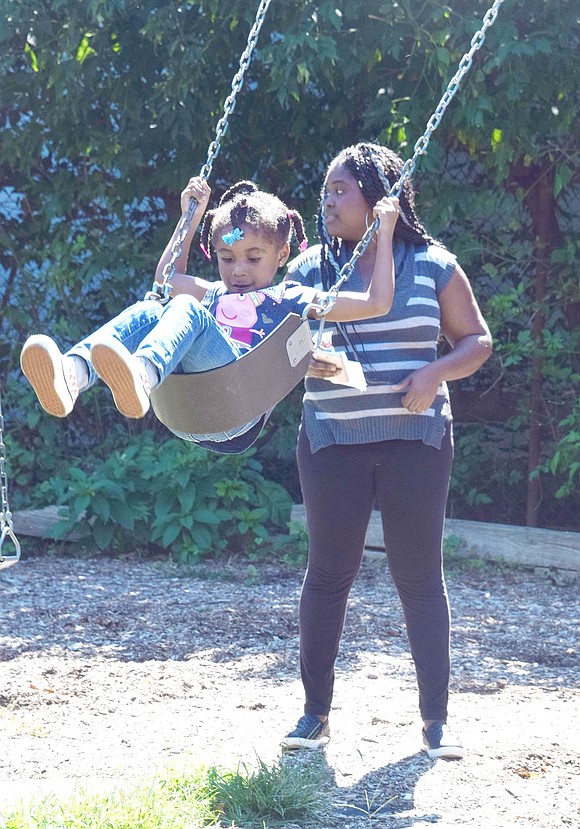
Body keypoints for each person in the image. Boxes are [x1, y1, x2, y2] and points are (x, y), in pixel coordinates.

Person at [280, 142, 493, 759]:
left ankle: (436, 723)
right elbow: (282, 350)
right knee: (327, 576)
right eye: (325, 189)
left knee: (420, 578)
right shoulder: (312, 269)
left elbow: (476, 340)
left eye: (341, 189)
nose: (327, 200)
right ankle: (314, 715)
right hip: (331, 443)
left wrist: (434, 375)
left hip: (417, 444)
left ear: (380, 198)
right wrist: (307, 359)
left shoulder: (433, 265)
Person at [20, 177, 400, 448]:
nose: (238, 270)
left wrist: (384, 234)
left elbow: (376, 303)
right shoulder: (214, 293)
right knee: (154, 305)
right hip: (190, 409)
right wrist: (192, 216)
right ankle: (74, 374)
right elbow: (166, 279)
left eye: (254, 258)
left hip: (236, 407)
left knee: (185, 306)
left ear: (282, 254)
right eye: (226, 258)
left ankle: (142, 373)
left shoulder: (291, 298)